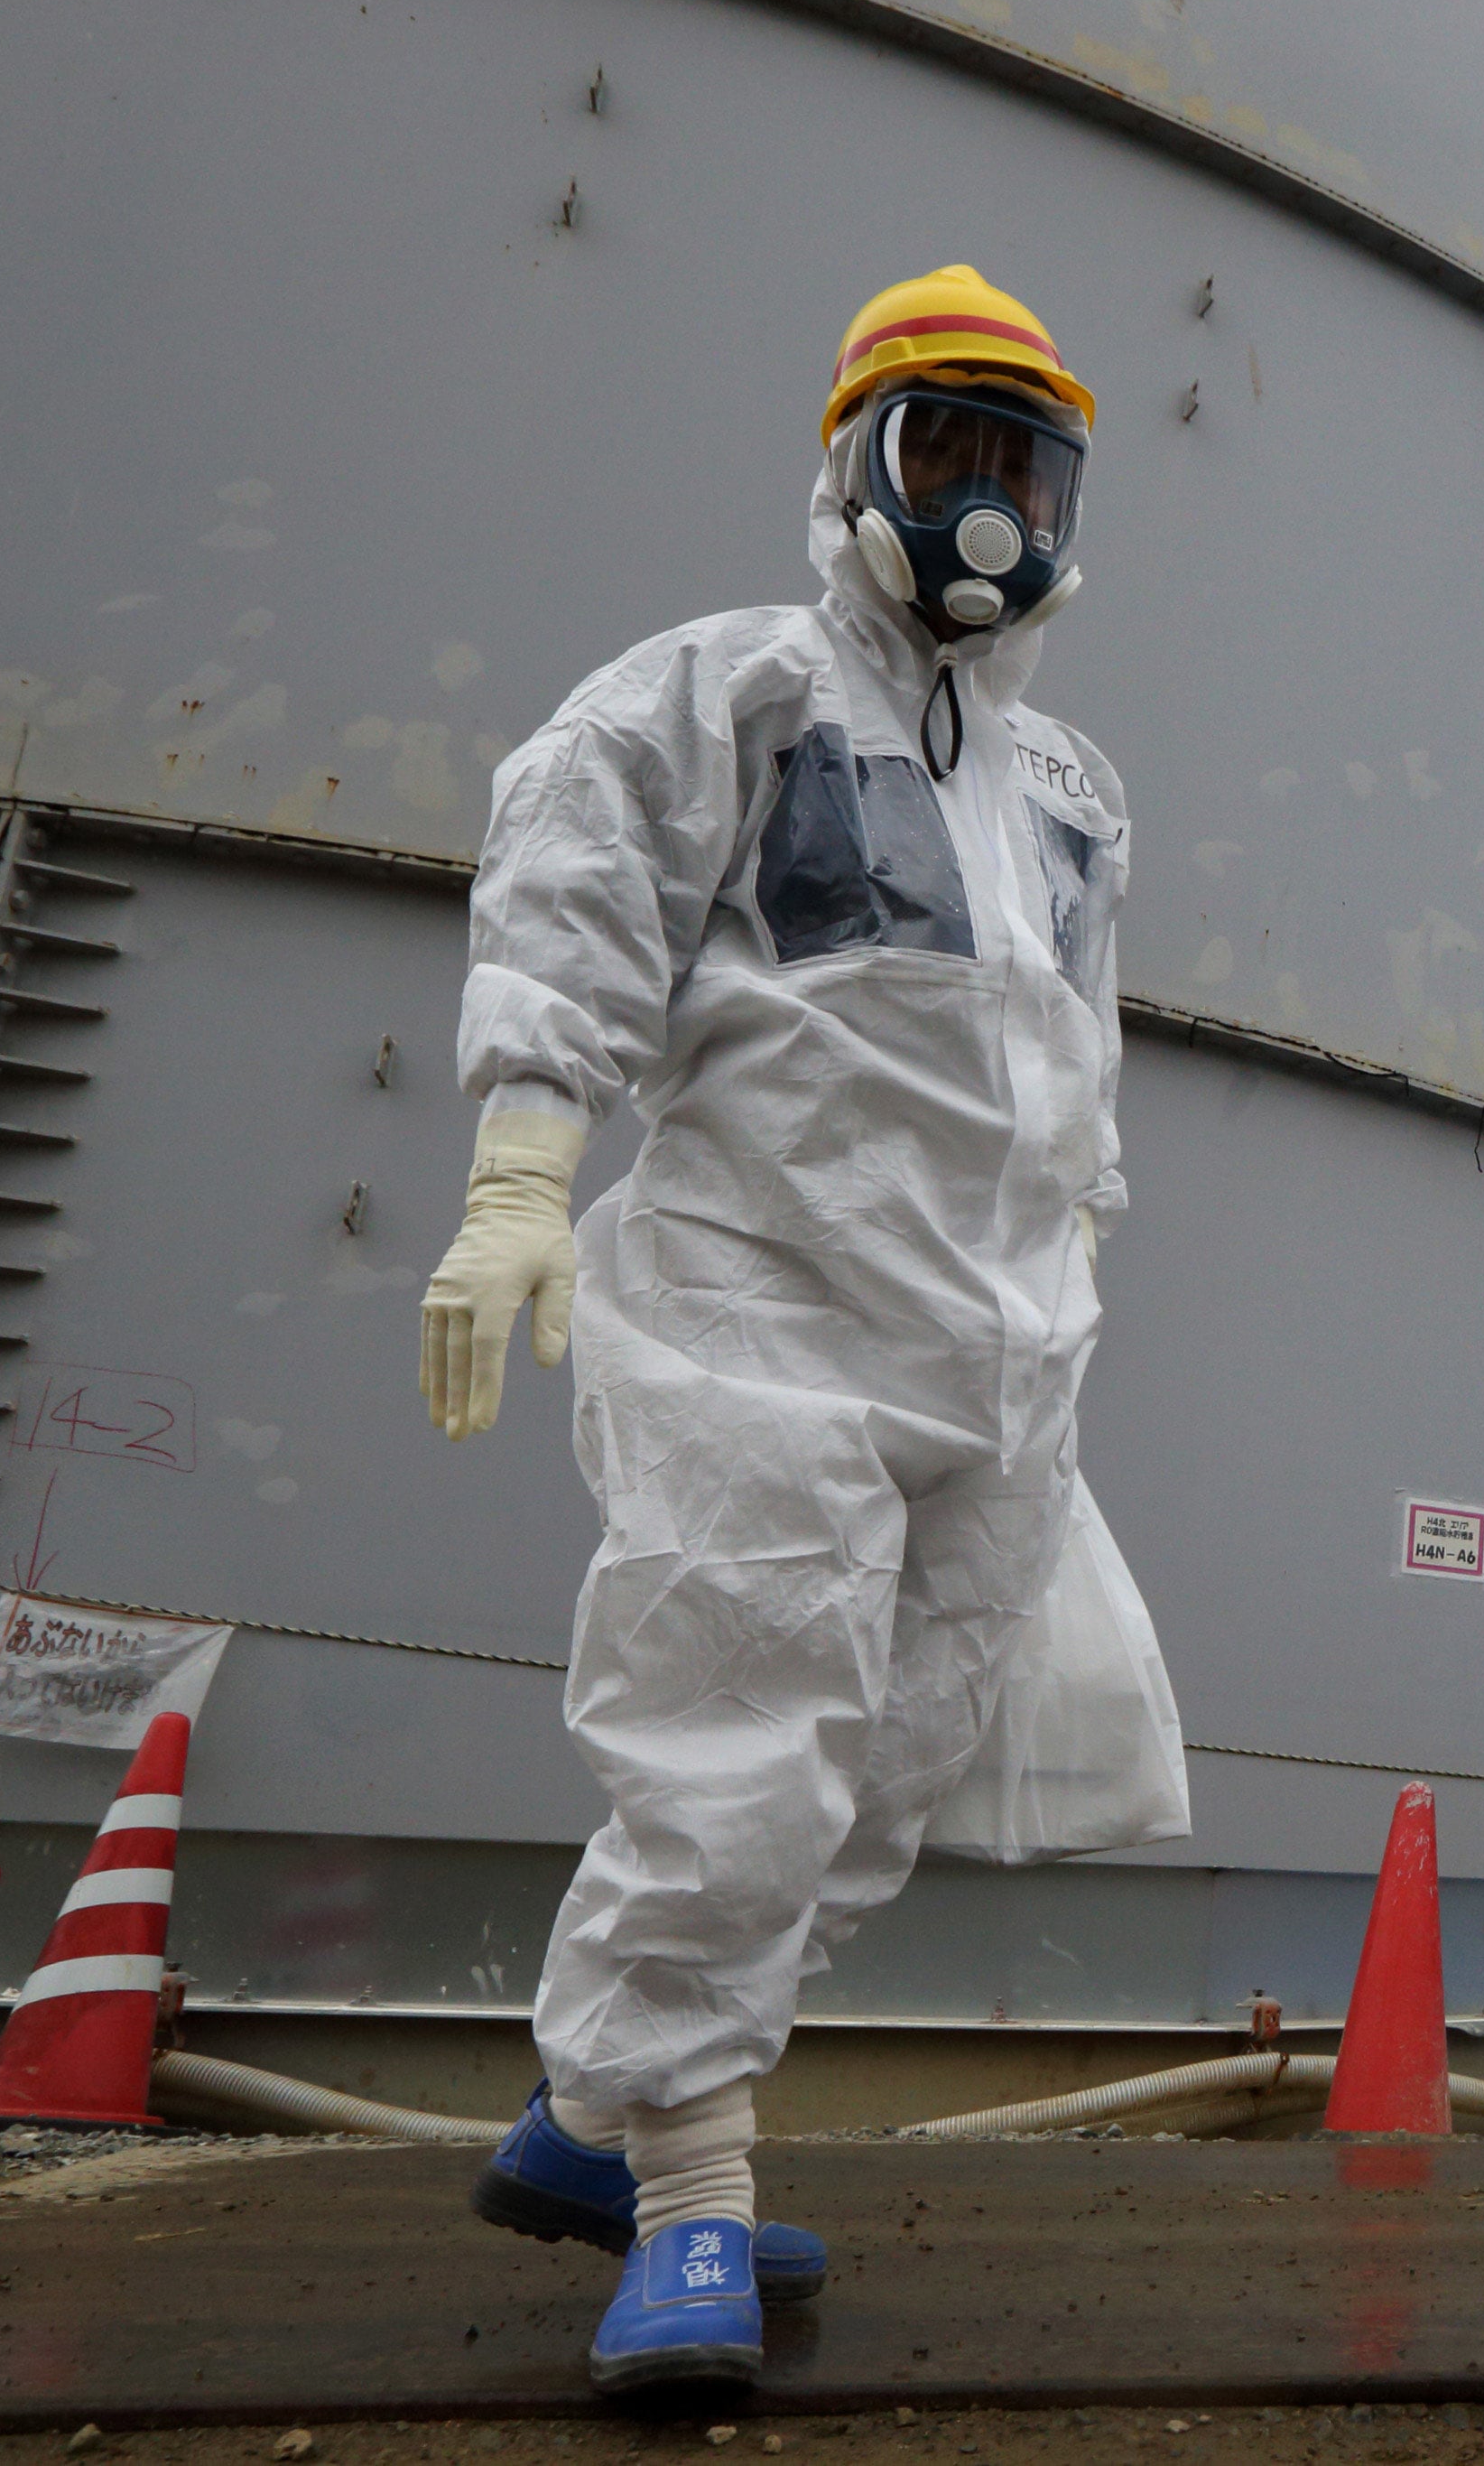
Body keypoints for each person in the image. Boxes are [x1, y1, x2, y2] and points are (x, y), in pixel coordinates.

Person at [417, 265, 1127, 2396]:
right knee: (733, 1749)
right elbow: (569, 900)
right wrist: (520, 1182)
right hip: (759, 1308)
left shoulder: (1077, 784)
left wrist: (1082, 1249)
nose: (989, 507)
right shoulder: (715, 694)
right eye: (950, 450)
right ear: (854, 462)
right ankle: (692, 2197)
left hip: (999, 1345)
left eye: (1026, 462)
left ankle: (589, 2120)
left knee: (883, 1774)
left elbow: (1077, 1049)